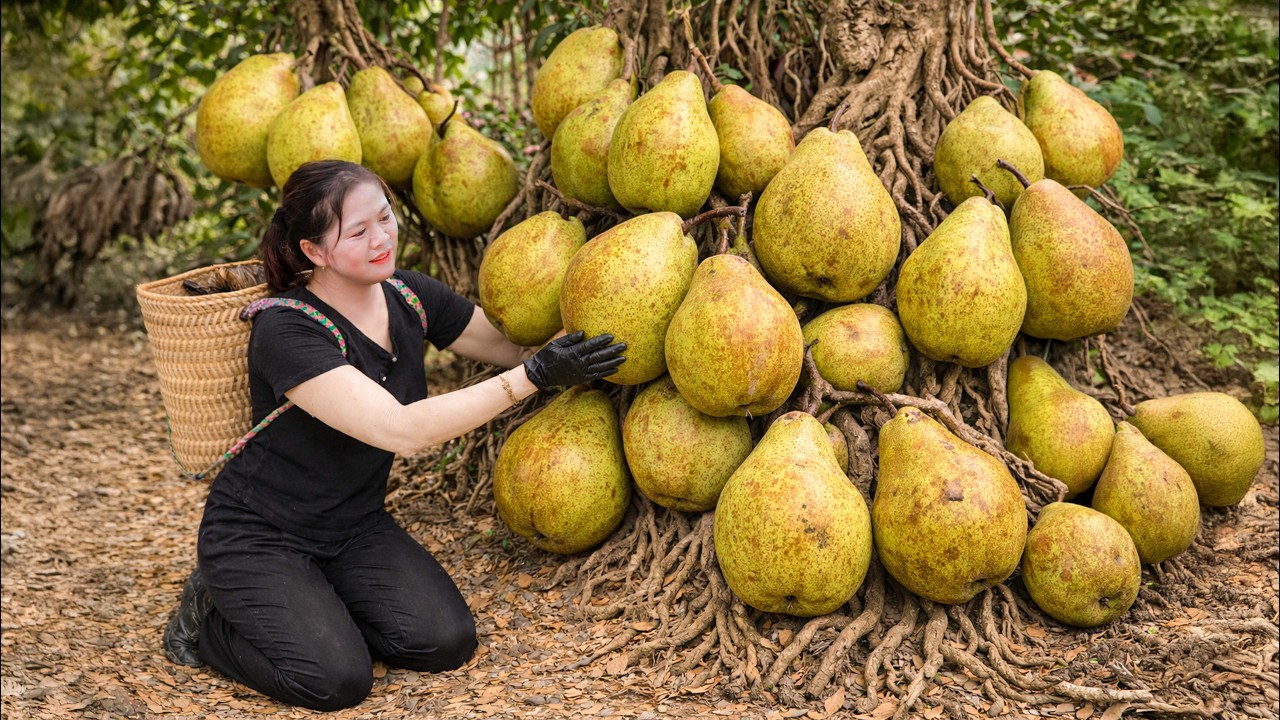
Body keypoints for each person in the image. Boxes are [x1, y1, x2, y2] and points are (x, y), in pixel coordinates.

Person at [160, 160, 626, 711]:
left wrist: (597, 332)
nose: (382, 239)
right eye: (358, 232)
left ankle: (315, 606)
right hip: (261, 533)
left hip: (353, 526)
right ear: (314, 251)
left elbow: (511, 348)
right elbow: (399, 430)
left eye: (385, 217)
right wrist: (534, 378)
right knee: (336, 682)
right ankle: (208, 622)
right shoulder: (286, 329)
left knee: (444, 642)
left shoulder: (409, 295)